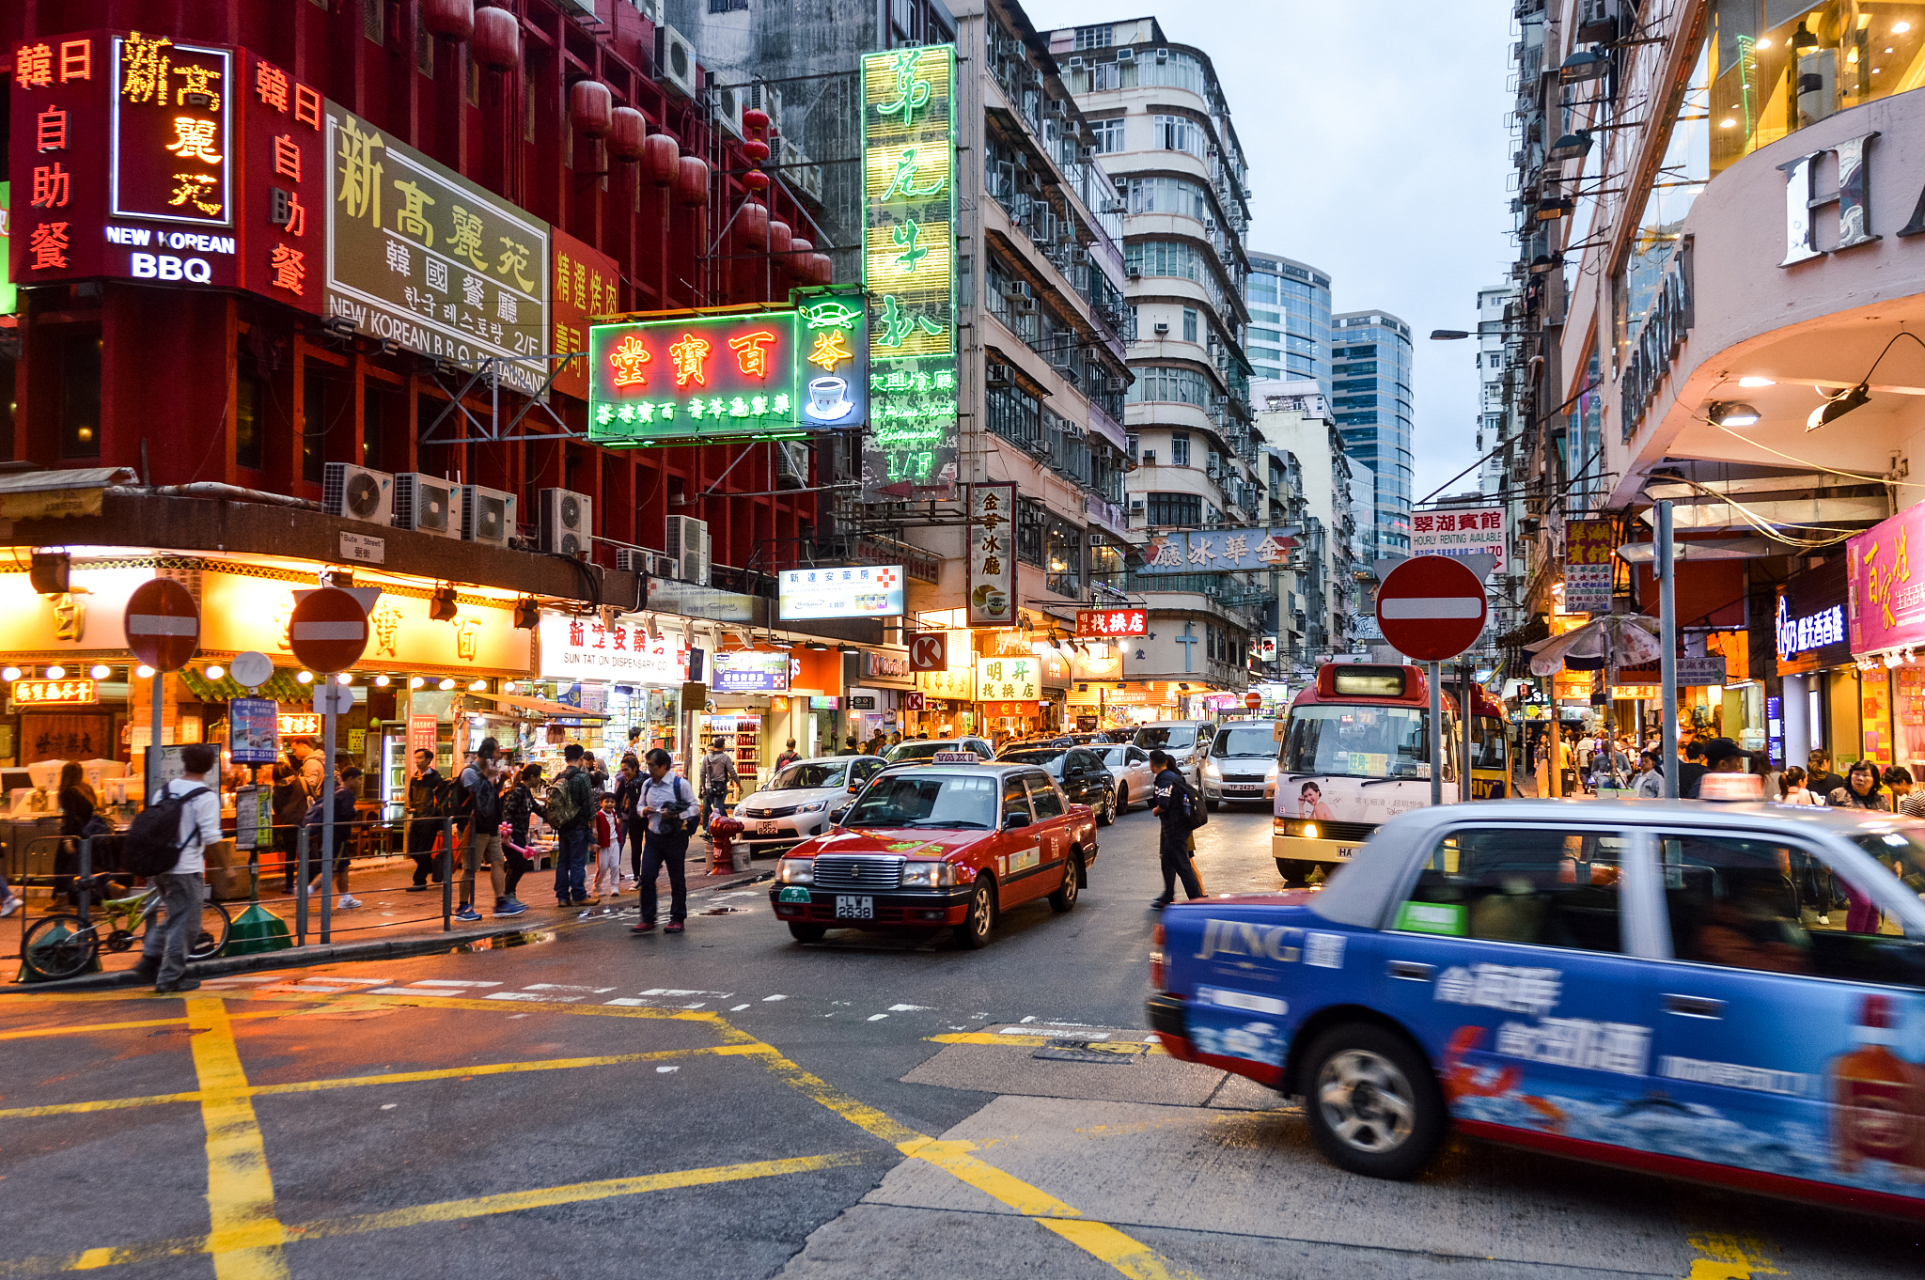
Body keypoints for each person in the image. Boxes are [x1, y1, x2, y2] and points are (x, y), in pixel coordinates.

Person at [131, 742, 222, 993]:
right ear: (210, 765)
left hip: (161, 865)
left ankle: (150, 960)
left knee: (174, 916)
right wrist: (227, 867)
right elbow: (212, 836)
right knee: (187, 925)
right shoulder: (206, 796)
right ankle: (170, 978)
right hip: (186, 868)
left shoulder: (166, 790)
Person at [453, 737, 521, 920]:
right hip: (473, 827)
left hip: (491, 826)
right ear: (488, 753)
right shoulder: (470, 772)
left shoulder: (487, 772)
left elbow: (491, 796)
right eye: (498, 751)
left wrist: (500, 782)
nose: (500, 755)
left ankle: (501, 903)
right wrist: (491, 776)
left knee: (498, 861)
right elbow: (480, 798)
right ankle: (462, 907)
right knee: (470, 868)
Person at [632, 748, 697, 934]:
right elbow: (639, 806)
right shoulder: (647, 785)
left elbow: (694, 808)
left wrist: (675, 814)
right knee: (647, 876)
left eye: (652, 765)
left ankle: (677, 918)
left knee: (676, 878)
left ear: (663, 766)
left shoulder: (680, 784)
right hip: (653, 836)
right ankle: (648, 918)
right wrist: (644, 811)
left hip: (675, 837)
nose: (649, 769)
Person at [1148, 749, 1205, 910]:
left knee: (1182, 865)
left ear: (1153, 763)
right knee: (1167, 861)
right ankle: (1168, 895)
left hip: (1175, 828)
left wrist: (1156, 810)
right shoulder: (1174, 776)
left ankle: (1196, 900)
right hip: (1179, 826)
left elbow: (1164, 803)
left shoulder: (1164, 779)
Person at [304, 765, 364, 910]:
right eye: (359, 779)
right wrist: (354, 811)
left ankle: (345, 898)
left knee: (343, 867)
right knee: (333, 868)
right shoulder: (346, 794)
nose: (360, 783)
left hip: (332, 835)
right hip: (337, 836)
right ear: (350, 779)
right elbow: (346, 813)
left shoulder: (336, 791)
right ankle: (308, 890)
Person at [550, 743, 596, 908]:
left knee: (563, 861)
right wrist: (594, 827)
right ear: (581, 758)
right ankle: (579, 895)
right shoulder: (582, 777)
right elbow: (589, 805)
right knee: (577, 861)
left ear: (565, 758)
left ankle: (562, 897)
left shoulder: (559, 776)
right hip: (578, 825)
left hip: (563, 826)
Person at [500, 763, 545, 904]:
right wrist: (507, 833)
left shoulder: (526, 792)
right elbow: (507, 812)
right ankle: (508, 895)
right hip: (513, 835)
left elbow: (537, 809)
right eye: (538, 777)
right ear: (532, 777)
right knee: (518, 864)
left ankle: (509, 895)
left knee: (517, 864)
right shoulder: (517, 792)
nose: (539, 781)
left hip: (520, 833)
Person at [405, 748, 446, 891]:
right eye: (416, 758)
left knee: (423, 850)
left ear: (429, 760)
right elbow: (411, 797)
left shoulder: (436, 778)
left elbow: (442, 801)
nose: (417, 761)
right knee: (413, 850)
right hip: (417, 818)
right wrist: (411, 808)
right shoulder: (414, 777)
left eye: (420, 758)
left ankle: (419, 881)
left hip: (430, 820)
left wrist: (440, 823)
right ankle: (431, 865)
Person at [697, 736, 739, 837]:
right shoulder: (725, 757)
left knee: (718, 809)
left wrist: (703, 787)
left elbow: (702, 773)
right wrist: (739, 784)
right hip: (720, 787)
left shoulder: (707, 757)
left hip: (709, 787)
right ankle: (709, 830)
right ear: (722, 746)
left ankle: (730, 828)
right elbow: (732, 772)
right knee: (717, 810)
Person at [612, 755, 644, 885]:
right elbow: (616, 799)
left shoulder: (646, 780)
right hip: (633, 818)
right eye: (623, 770)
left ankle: (649, 872)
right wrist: (618, 815)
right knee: (635, 848)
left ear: (635, 768)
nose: (625, 773)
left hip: (647, 818)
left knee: (650, 846)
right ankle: (637, 876)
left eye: (627, 770)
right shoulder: (625, 781)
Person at [591, 794, 622, 902]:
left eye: (612, 802)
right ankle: (597, 886)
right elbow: (593, 830)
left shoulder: (614, 814)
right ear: (601, 803)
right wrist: (593, 843)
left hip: (614, 842)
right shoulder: (598, 816)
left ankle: (614, 886)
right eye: (607, 801)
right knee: (603, 867)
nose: (609, 804)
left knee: (615, 866)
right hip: (603, 845)